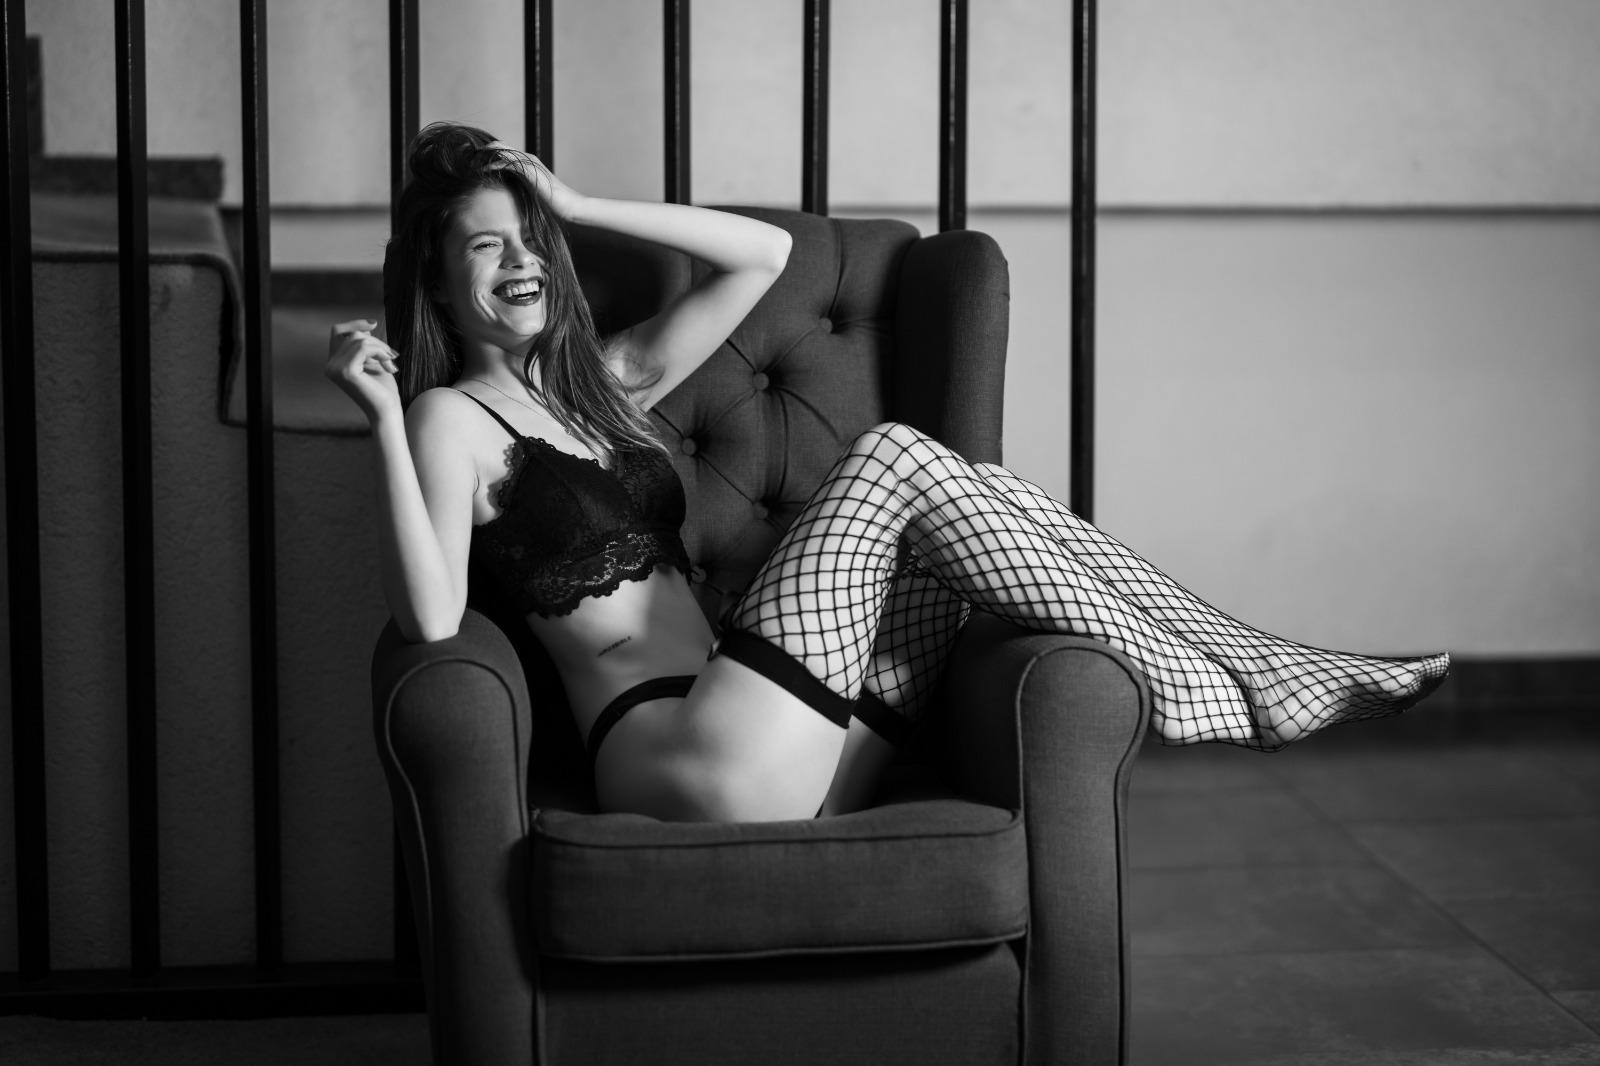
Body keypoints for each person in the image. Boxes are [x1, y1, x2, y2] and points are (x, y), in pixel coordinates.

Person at [328, 122, 1450, 823]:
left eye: (532, 241)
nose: (522, 261)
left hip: (794, 740)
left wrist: (571, 204)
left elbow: (764, 258)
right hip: (686, 756)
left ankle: (1238, 670)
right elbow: (429, 618)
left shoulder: (604, 387)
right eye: (487, 245)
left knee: (971, 508)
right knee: (896, 458)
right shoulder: (446, 418)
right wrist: (380, 419)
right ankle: (1227, 681)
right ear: (437, 284)